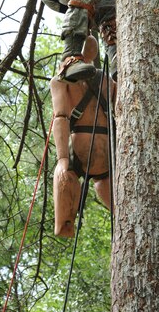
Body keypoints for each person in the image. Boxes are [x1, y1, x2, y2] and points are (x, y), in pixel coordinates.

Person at [50, 36, 116, 238]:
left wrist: (62, 159)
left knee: (121, 211)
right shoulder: (63, 81)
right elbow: (60, 118)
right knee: (63, 225)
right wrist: (63, 159)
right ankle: (64, 223)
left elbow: (60, 118)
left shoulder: (105, 81)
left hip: (104, 164)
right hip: (86, 158)